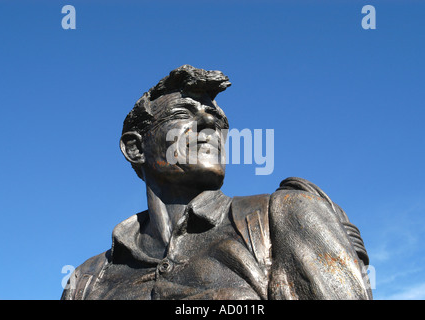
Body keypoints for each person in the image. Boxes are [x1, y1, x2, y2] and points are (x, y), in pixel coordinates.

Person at [61, 65, 372, 300]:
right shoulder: (87, 280)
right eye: (183, 112)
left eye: (218, 119)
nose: (210, 122)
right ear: (136, 148)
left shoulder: (284, 215)